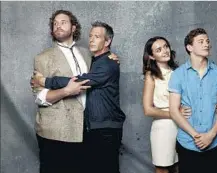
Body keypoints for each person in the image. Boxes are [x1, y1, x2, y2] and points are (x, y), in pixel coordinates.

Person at [32, 21, 125, 173]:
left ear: (107, 41)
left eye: (97, 36)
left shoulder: (107, 63)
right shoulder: (94, 58)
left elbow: (79, 80)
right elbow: (38, 93)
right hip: (89, 128)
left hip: (105, 129)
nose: (92, 39)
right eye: (90, 36)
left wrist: (44, 80)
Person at [168, 28, 217, 173]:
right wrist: (195, 136)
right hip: (187, 142)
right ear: (189, 47)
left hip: (215, 141)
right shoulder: (178, 75)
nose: (206, 44)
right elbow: (174, 110)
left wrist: (210, 135)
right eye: (201, 42)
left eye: (208, 41)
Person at [142, 36, 192, 173]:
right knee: (163, 169)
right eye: (158, 50)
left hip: (182, 126)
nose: (165, 51)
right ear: (152, 56)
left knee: (178, 168)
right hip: (163, 128)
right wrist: (175, 114)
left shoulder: (178, 72)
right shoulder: (151, 76)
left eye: (166, 46)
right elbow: (148, 110)